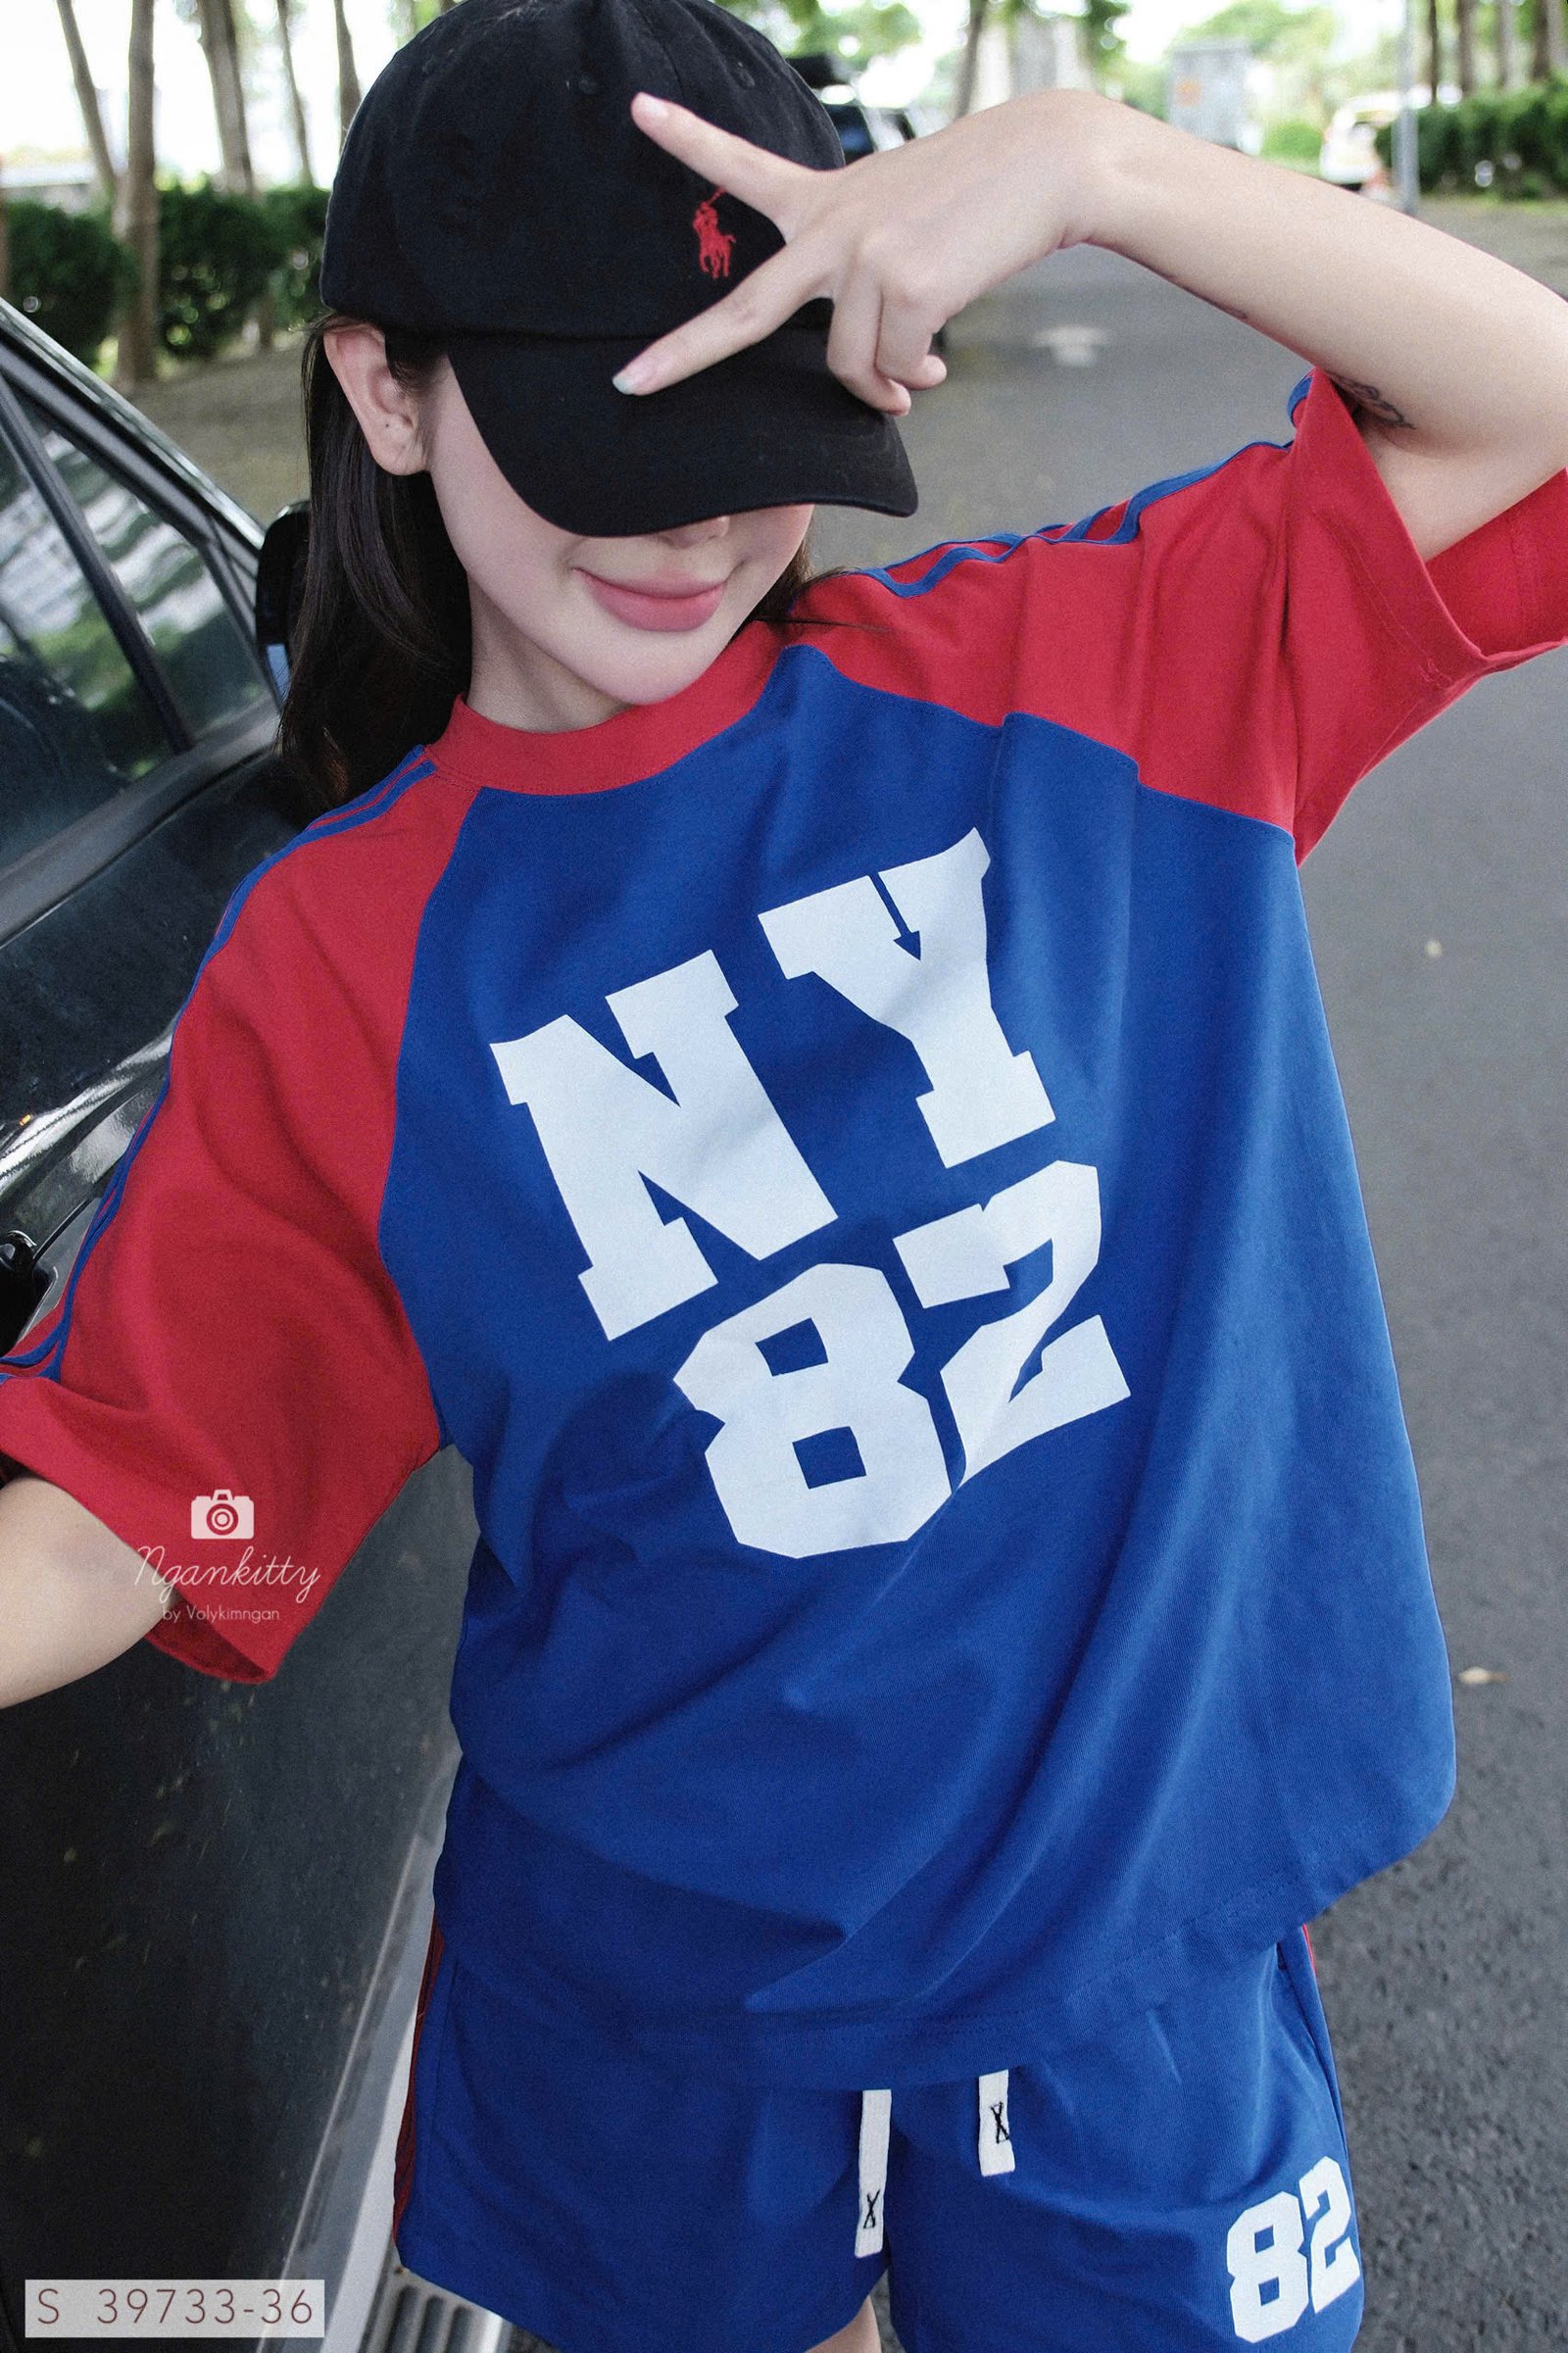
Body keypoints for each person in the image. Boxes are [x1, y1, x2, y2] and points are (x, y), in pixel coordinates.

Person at [3, 0, 1567, 2345]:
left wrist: (1098, 162)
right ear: (386, 390)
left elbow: (1529, 417)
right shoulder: (339, 958)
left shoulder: (1078, 683)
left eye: (752, 429)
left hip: (1127, 1976)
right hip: (657, 2027)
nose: (693, 524)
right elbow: (143, 1497)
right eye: (607, 437)